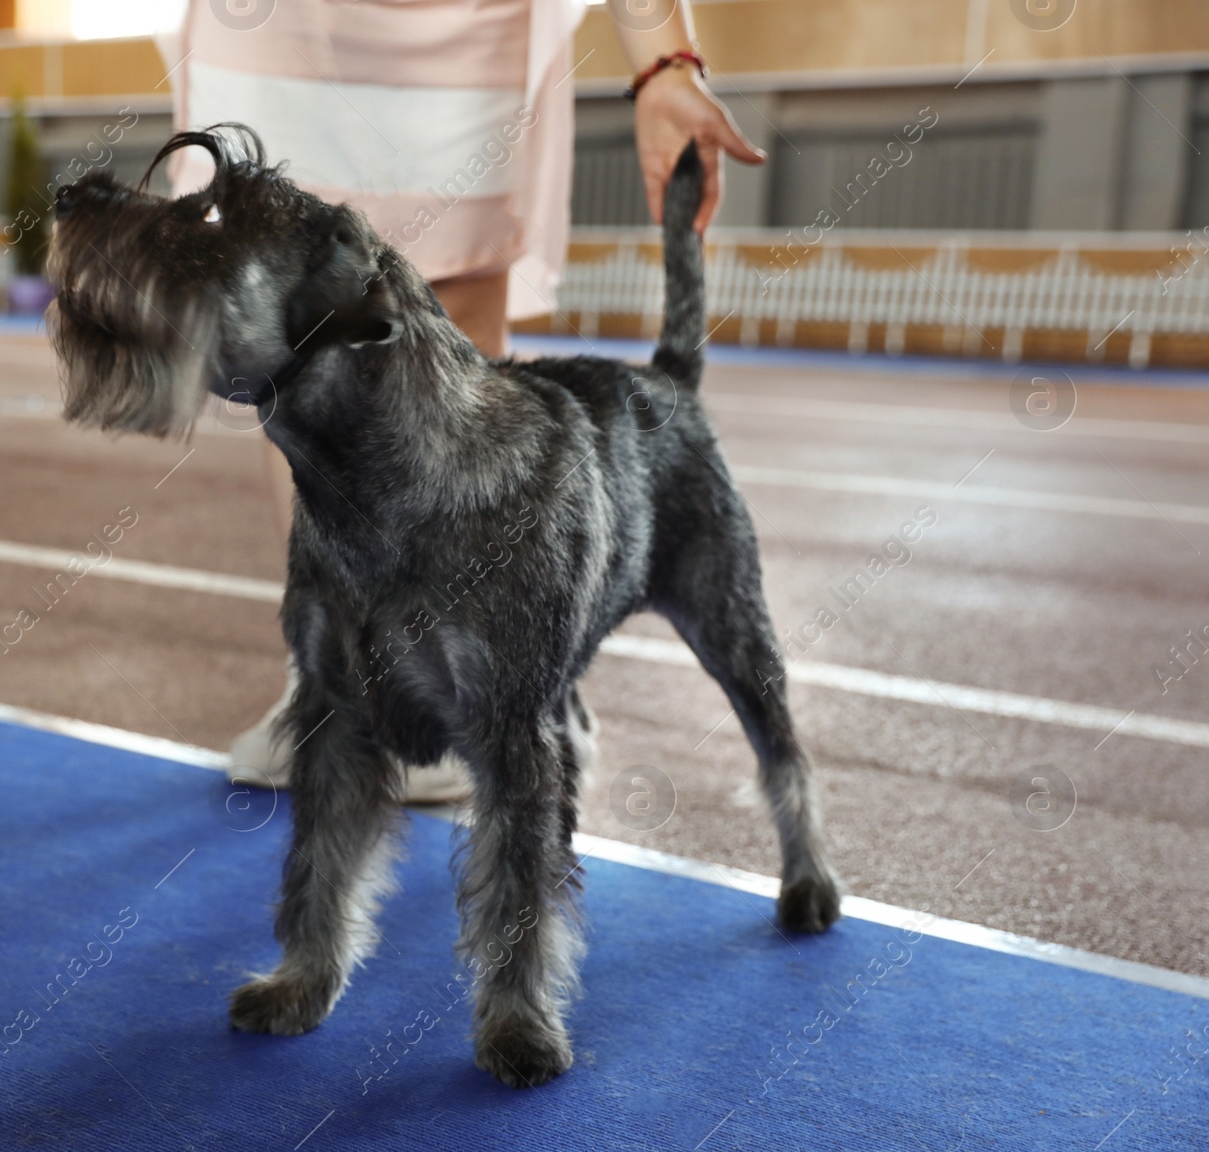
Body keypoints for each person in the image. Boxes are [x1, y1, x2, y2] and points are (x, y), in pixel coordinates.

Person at [154, 0, 764, 796]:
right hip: (276, 24)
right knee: (290, 331)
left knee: (456, 283)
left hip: (457, 23)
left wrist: (662, 60)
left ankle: (513, 674)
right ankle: (335, 682)